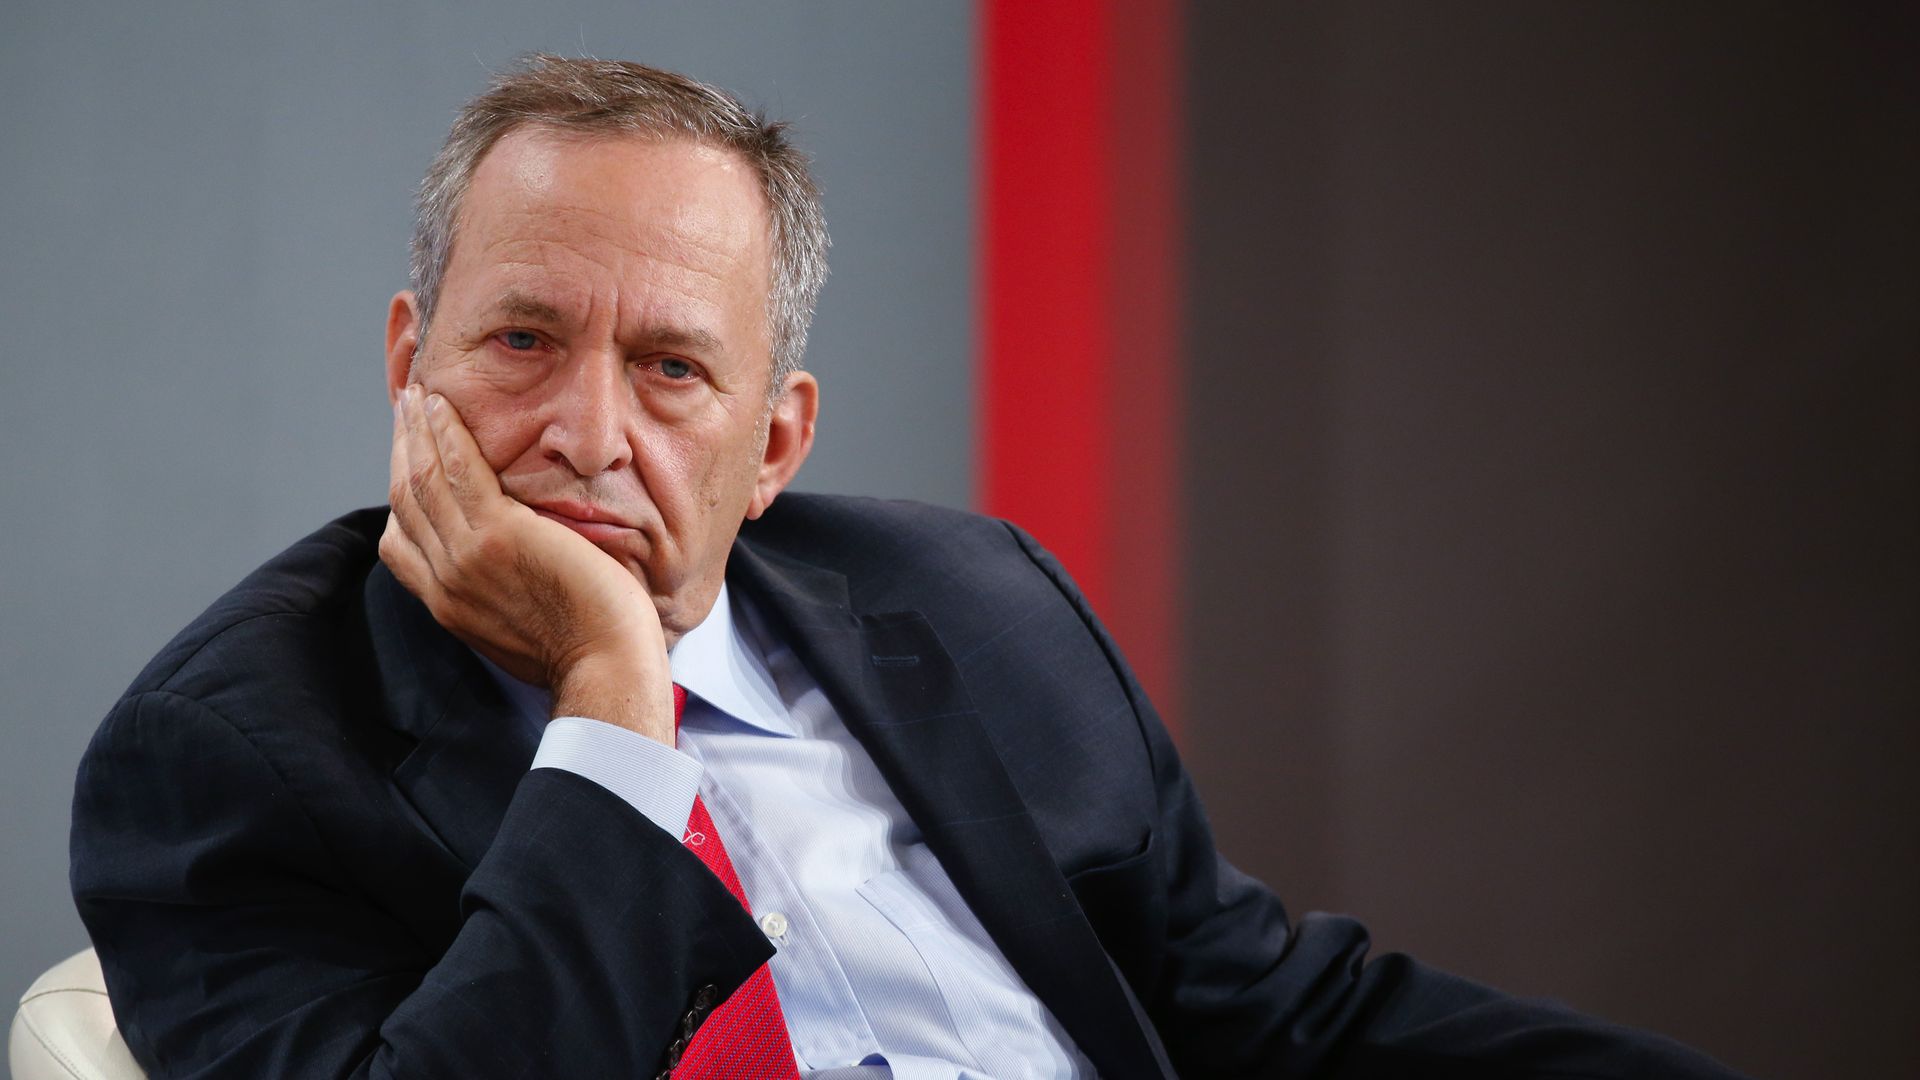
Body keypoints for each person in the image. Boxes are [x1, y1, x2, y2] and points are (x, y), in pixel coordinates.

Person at [70, 56, 1748, 1079]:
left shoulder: (974, 603)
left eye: (672, 368)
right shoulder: (228, 756)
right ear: (407, 364)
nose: (588, 432)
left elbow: (1277, 1021)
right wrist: (612, 700)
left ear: (775, 444)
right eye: (521, 339)